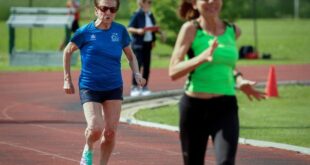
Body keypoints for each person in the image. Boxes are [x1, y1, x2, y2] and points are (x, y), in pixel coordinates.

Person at [169, 0, 265, 164]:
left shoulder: (233, 30)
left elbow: (227, 66)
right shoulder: (191, 29)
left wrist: (240, 80)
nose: (211, 1)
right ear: (194, 4)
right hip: (194, 108)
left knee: (226, 162)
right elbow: (173, 71)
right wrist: (202, 58)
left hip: (225, 107)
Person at [62, 0, 145, 164]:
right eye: (104, 8)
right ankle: (88, 148)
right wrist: (67, 79)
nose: (108, 12)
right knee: (95, 129)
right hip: (90, 86)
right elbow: (67, 51)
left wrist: (136, 73)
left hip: (113, 86)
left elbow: (131, 56)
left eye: (112, 9)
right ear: (96, 10)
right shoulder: (85, 32)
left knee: (110, 133)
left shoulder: (120, 31)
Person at [128, 0, 165, 96]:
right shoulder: (136, 14)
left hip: (148, 44)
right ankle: (134, 87)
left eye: (150, 2)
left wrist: (160, 32)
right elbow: (129, 28)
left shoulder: (150, 15)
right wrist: (138, 30)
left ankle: (144, 87)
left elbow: (153, 27)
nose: (150, 4)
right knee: (138, 66)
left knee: (147, 67)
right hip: (138, 45)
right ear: (142, 3)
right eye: (148, 2)